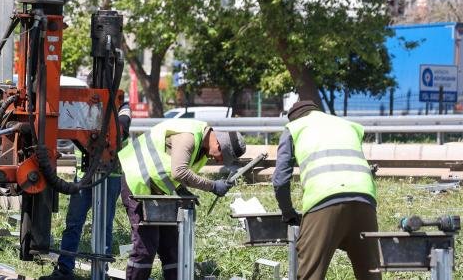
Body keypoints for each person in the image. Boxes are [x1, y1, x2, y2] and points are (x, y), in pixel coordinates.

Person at [118, 118, 246, 280]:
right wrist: (212, 186)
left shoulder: (203, 148)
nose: (218, 161)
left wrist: (181, 190)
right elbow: (179, 171)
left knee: (171, 246)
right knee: (146, 246)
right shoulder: (189, 137)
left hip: (158, 189)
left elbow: (168, 170)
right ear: (219, 145)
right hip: (138, 184)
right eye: (221, 157)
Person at [273, 100, 379, 280]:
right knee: (370, 274)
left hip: (324, 201)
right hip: (365, 200)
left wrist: (288, 213)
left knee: (311, 273)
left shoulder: (294, 128)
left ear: (293, 119)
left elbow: (280, 180)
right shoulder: (347, 125)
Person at [41, 101, 133, 280]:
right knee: (74, 223)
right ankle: (65, 268)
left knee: (104, 225)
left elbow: (122, 127)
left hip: (110, 175)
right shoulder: (87, 104)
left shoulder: (123, 106)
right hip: (84, 176)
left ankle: (100, 272)